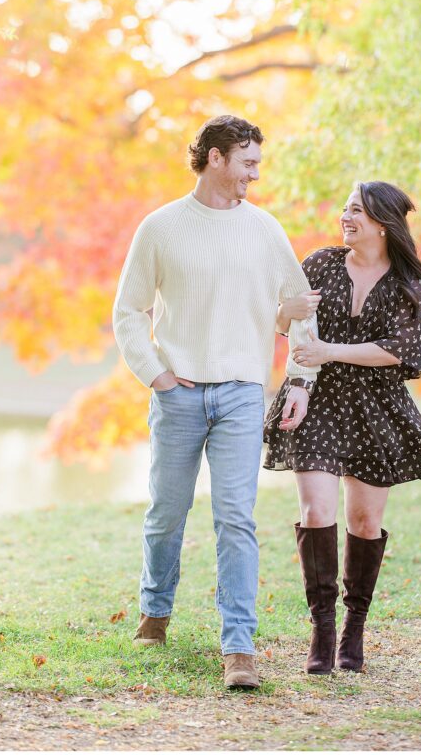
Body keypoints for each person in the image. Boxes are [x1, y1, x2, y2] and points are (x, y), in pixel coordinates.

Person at [112, 115, 320, 690]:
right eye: (247, 162)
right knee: (166, 515)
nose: (255, 173)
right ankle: (155, 612)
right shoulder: (160, 227)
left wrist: (298, 381)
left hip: (241, 394)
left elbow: (301, 309)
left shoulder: (266, 230)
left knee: (236, 519)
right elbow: (128, 311)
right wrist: (155, 374)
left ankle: (238, 648)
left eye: (257, 162)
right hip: (178, 394)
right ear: (214, 158)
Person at [263, 180, 421, 675]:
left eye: (357, 211)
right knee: (316, 509)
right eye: (344, 208)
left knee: (364, 523)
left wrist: (331, 351)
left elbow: (403, 350)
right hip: (316, 397)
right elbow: (288, 323)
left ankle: (354, 627)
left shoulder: (408, 280)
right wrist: (285, 314)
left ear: (382, 223)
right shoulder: (319, 263)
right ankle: (321, 628)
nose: (345, 217)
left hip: (375, 406)